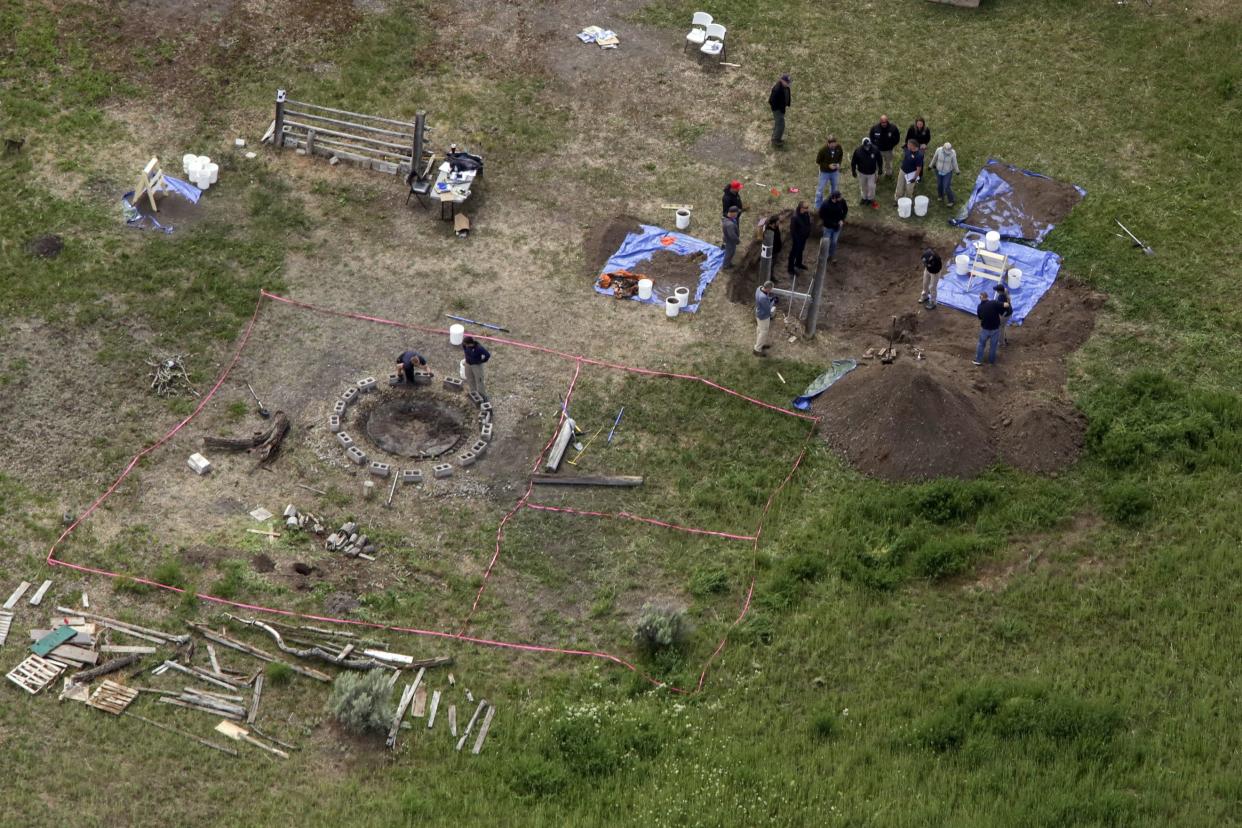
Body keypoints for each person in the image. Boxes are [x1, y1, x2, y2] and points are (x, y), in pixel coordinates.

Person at [974, 291, 1005, 366]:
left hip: (985, 329)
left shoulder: (980, 307)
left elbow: (980, 317)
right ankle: (991, 361)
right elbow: (1003, 307)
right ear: (987, 296)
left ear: (981, 297)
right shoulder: (994, 303)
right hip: (995, 329)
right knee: (993, 346)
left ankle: (978, 360)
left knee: (981, 344)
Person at [850, 136, 882, 208]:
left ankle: (870, 199)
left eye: (869, 145)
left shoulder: (875, 149)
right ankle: (864, 198)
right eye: (866, 146)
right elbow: (853, 162)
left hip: (872, 173)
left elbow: (880, 160)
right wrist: (853, 171)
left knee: (871, 186)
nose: (867, 147)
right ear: (863, 145)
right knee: (863, 186)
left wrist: (880, 169)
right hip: (862, 172)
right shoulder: (858, 151)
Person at [817, 190, 848, 263]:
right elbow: (822, 215)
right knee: (826, 242)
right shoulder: (825, 204)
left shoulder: (842, 201)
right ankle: (824, 255)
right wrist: (833, 223)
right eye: (839, 197)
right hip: (828, 227)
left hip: (837, 228)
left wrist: (842, 220)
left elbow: (845, 209)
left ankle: (831, 255)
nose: (841, 198)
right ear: (834, 198)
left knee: (834, 242)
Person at [814, 134, 843, 208]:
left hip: (835, 172)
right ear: (828, 143)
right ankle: (818, 206)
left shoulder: (839, 148)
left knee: (834, 189)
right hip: (824, 172)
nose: (834, 146)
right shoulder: (823, 150)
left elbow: (840, 157)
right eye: (832, 145)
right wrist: (828, 166)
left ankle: (832, 203)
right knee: (820, 189)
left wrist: (838, 164)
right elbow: (818, 161)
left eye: (835, 144)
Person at [754, 280, 778, 356]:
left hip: (758, 312)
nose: (771, 290)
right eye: (771, 289)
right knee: (764, 332)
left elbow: (766, 300)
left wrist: (771, 298)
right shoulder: (763, 297)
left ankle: (760, 344)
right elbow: (768, 308)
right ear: (767, 288)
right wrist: (774, 301)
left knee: (760, 329)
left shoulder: (759, 288)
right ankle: (757, 350)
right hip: (763, 315)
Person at [894, 139, 923, 204]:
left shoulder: (919, 155)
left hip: (911, 174)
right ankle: (897, 200)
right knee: (899, 186)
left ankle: (907, 202)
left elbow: (919, 168)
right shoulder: (908, 150)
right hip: (903, 171)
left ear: (913, 146)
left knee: (909, 189)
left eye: (908, 144)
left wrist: (914, 178)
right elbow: (905, 150)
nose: (907, 145)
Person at [787, 201, 811, 275]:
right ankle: (790, 269)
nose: (807, 209)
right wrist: (796, 240)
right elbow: (792, 230)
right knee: (793, 254)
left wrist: (807, 233)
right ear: (801, 208)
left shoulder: (806, 214)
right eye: (806, 208)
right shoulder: (795, 217)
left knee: (800, 251)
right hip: (797, 239)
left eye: (807, 207)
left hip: (803, 238)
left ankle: (798, 263)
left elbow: (808, 223)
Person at [768, 74, 791, 147]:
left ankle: (775, 137)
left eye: (789, 82)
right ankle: (776, 140)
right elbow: (771, 101)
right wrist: (778, 109)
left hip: (781, 108)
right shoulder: (777, 90)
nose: (788, 84)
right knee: (781, 125)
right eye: (787, 82)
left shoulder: (785, 87)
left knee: (778, 123)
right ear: (782, 81)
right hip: (777, 110)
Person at [763, 214, 783, 279]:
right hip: (771, 252)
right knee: (770, 266)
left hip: (776, 250)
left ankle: (771, 276)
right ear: (774, 223)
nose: (779, 222)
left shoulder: (776, 227)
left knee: (773, 265)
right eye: (778, 221)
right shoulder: (768, 231)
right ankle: (769, 278)